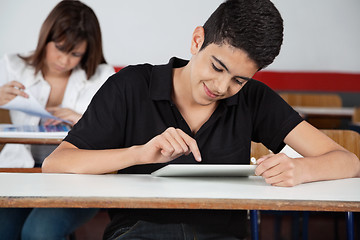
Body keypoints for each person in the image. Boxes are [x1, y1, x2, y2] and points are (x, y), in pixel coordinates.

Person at [43, 0, 360, 239]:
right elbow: (56, 163)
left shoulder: (254, 99)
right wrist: (138, 153)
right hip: (140, 231)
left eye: (239, 80)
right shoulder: (131, 86)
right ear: (197, 41)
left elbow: (348, 161)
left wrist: (301, 168)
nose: (222, 88)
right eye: (218, 67)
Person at [0, 1, 114, 239]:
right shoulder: (12, 66)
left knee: (39, 233)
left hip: (76, 178)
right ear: (46, 37)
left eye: (75, 54)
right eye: (60, 48)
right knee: (4, 230)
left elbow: (115, 135)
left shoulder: (102, 77)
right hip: (20, 174)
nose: (64, 60)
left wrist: (81, 119)